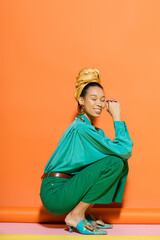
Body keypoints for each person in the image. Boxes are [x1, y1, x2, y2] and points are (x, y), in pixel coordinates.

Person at [39, 68, 133, 235]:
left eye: (102, 100)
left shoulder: (90, 130)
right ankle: (76, 215)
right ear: (81, 101)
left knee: (117, 162)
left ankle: (85, 213)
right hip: (55, 192)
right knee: (115, 161)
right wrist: (117, 117)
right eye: (93, 98)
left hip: (65, 187)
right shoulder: (82, 129)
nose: (99, 104)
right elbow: (125, 150)